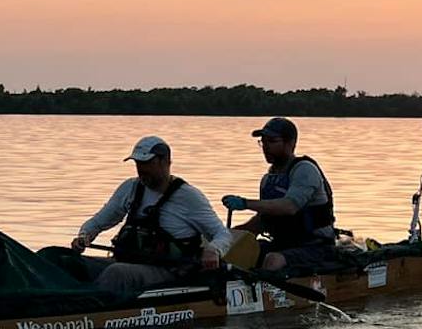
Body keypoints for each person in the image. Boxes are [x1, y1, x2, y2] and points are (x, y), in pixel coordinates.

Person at [71, 135, 232, 297]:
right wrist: (85, 235)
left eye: (146, 163)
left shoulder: (189, 197)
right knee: (70, 262)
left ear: (165, 161)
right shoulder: (130, 188)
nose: (141, 169)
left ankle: (85, 305)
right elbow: (99, 222)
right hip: (129, 263)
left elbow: (222, 234)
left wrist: (213, 250)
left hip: (169, 271)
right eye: (137, 163)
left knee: (116, 273)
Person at [226, 117, 336, 273]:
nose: (266, 147)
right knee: (238, 252)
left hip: (316, 246)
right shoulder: (268, 179)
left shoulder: (304, 170)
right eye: (263, 142)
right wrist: (228, 237)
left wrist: (245, 203)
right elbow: (262, 220)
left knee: (273, 260)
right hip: (283, 245)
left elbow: (289, 206)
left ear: (290, 143)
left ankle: (265, 288)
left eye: (272, 141)